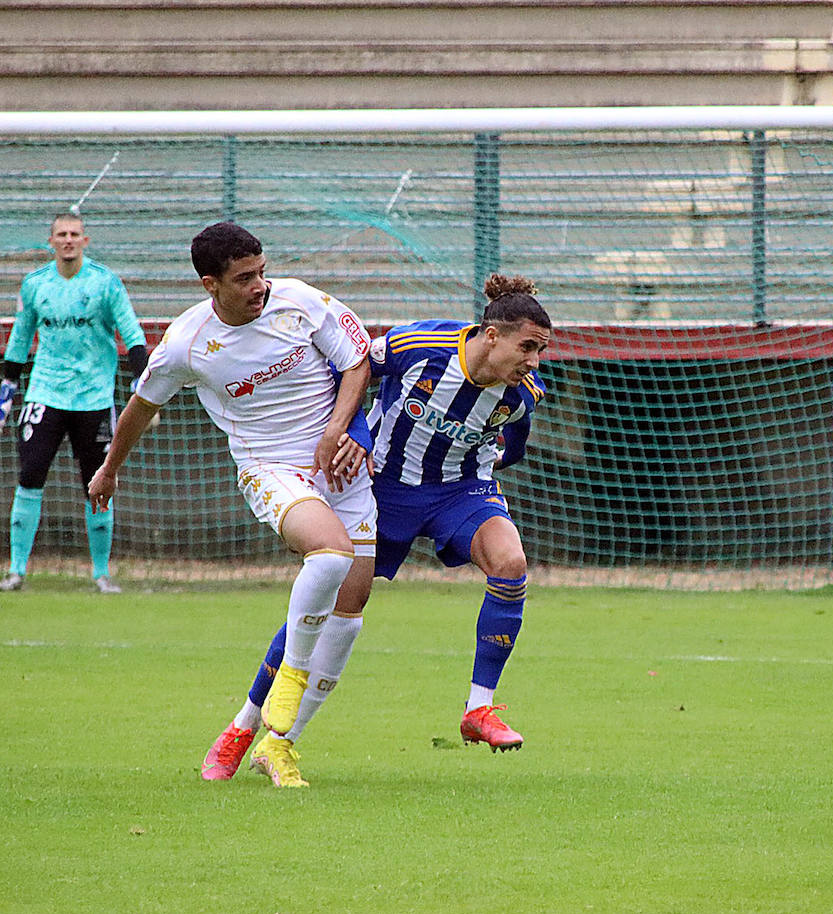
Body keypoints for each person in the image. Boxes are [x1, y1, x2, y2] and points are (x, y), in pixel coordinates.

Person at [199, 272, 551, 782]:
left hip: (460, 492)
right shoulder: (420, 345)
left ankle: (479, 708)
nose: (535, 362)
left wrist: (480, 464)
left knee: (511, 564)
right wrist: (356, 433)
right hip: (382, 489)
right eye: (529, 348)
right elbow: (351, 371)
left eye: (541, 351)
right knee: (331, 606)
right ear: (492, 335)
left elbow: (512, 447)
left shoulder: (522, 395)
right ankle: (244, 726)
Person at [88, 221, 377, 788]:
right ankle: (289, 678)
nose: (260, 285)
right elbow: (142, 407)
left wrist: (340, 429)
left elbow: (358, 360)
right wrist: (109, 468)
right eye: (245, 278)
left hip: (339, 464)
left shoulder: (302, 302)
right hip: (270, 468)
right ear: (209, 284)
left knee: (350, 612)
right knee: (330, 554)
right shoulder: (187, 344)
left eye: (262, 271)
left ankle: (269, 738)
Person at [0, 212, 147, 593]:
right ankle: (16, 570)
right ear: (50, 241)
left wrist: (143, 388)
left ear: (86, 240)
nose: (68, 240)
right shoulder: (35, 285)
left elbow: (131, 334)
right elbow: (20, 337)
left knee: (95, 484)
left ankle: (101, 574)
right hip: (45, 394)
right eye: (61, 234)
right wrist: (7, 389)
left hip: (94, 397)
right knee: (29, 476)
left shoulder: (105, 283)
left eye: (75, 234)